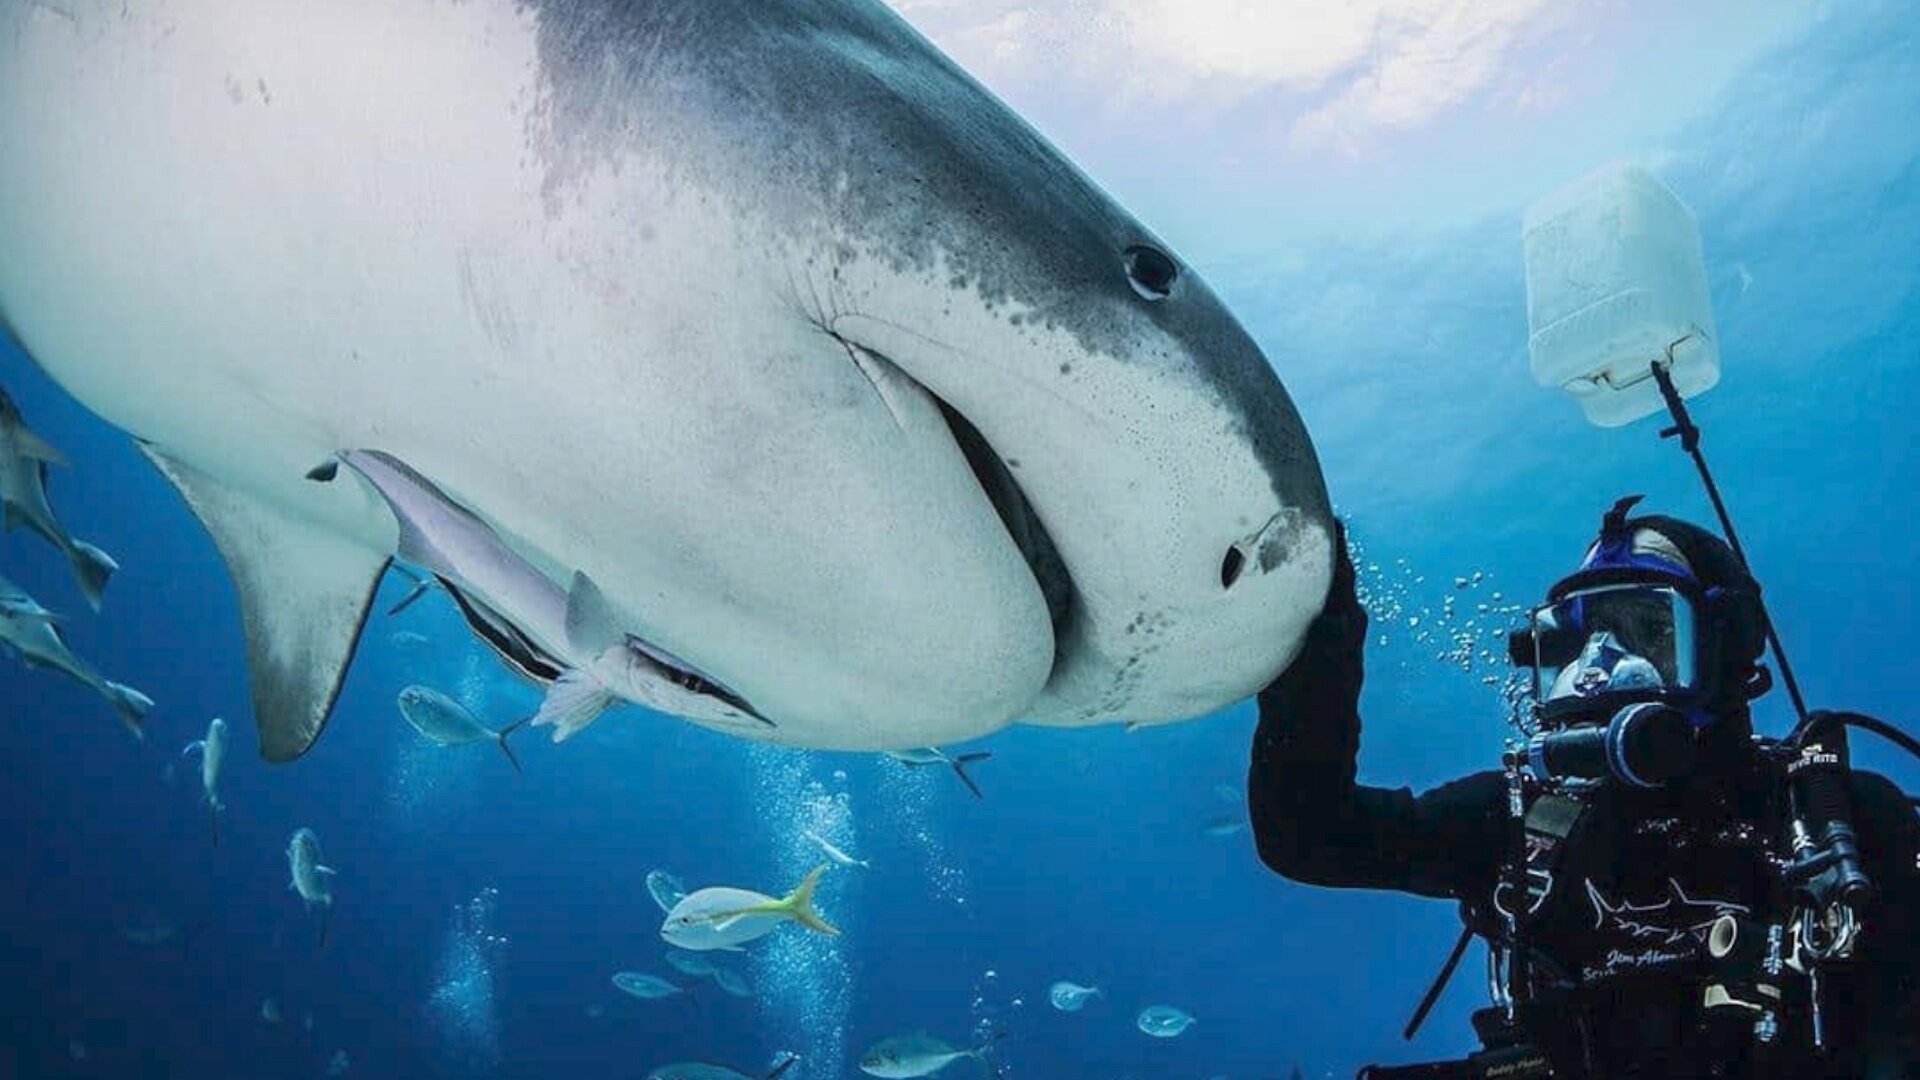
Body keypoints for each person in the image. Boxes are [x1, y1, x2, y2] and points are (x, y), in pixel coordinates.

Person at [1251, 496, 1920, 1079]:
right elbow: (1309, 834)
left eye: (1649, 630)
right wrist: (1321, 625)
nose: (1599, 669)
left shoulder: (1834, 822)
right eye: (1579, 639)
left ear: (1723, 647)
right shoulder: (1520, 820)